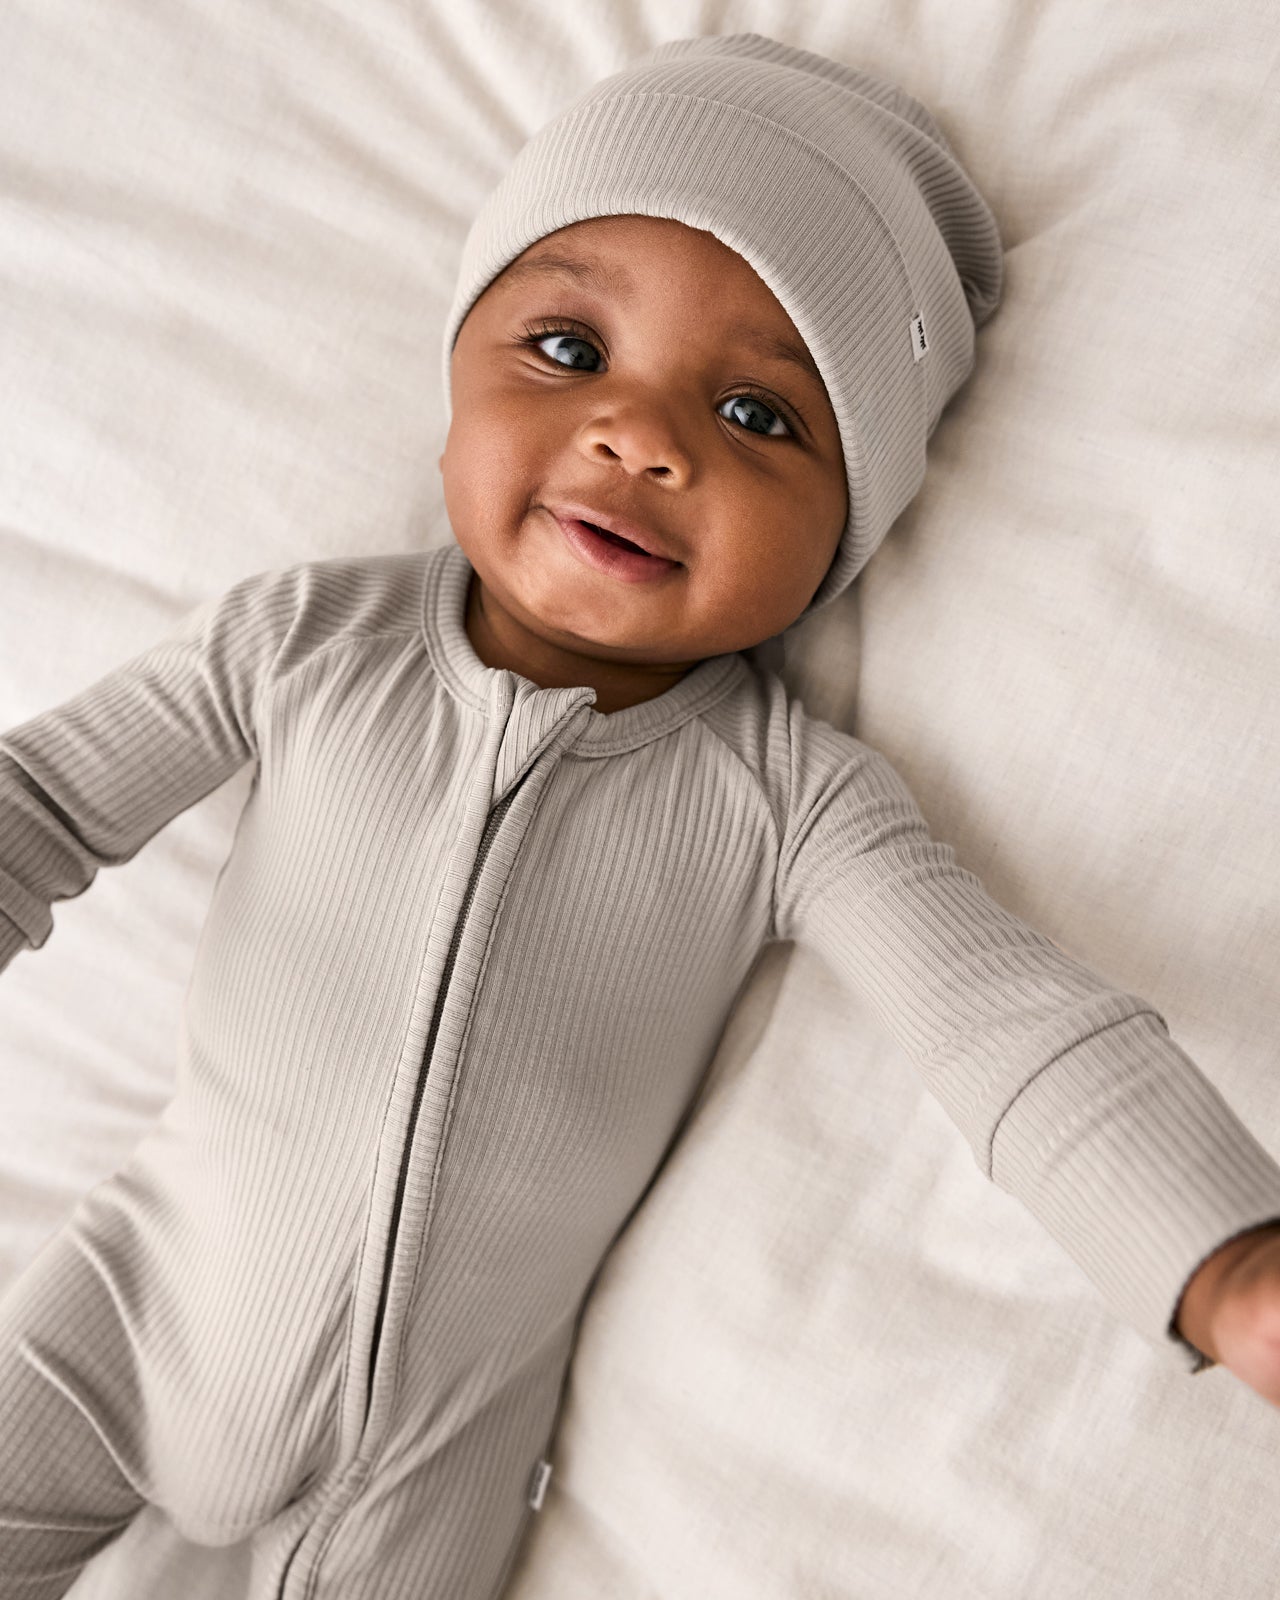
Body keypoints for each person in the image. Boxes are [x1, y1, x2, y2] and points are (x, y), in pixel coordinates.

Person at [1, 30, 1278, 1600]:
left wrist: (1221, 1264)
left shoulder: (790, 803)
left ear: (845, 536)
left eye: (757, 419)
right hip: (127, 1322)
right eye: (564, 350)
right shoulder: (301, 645)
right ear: (455, 371)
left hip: (431, 1461)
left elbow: (1007, 1028)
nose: (642, 436)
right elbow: (41, 802)